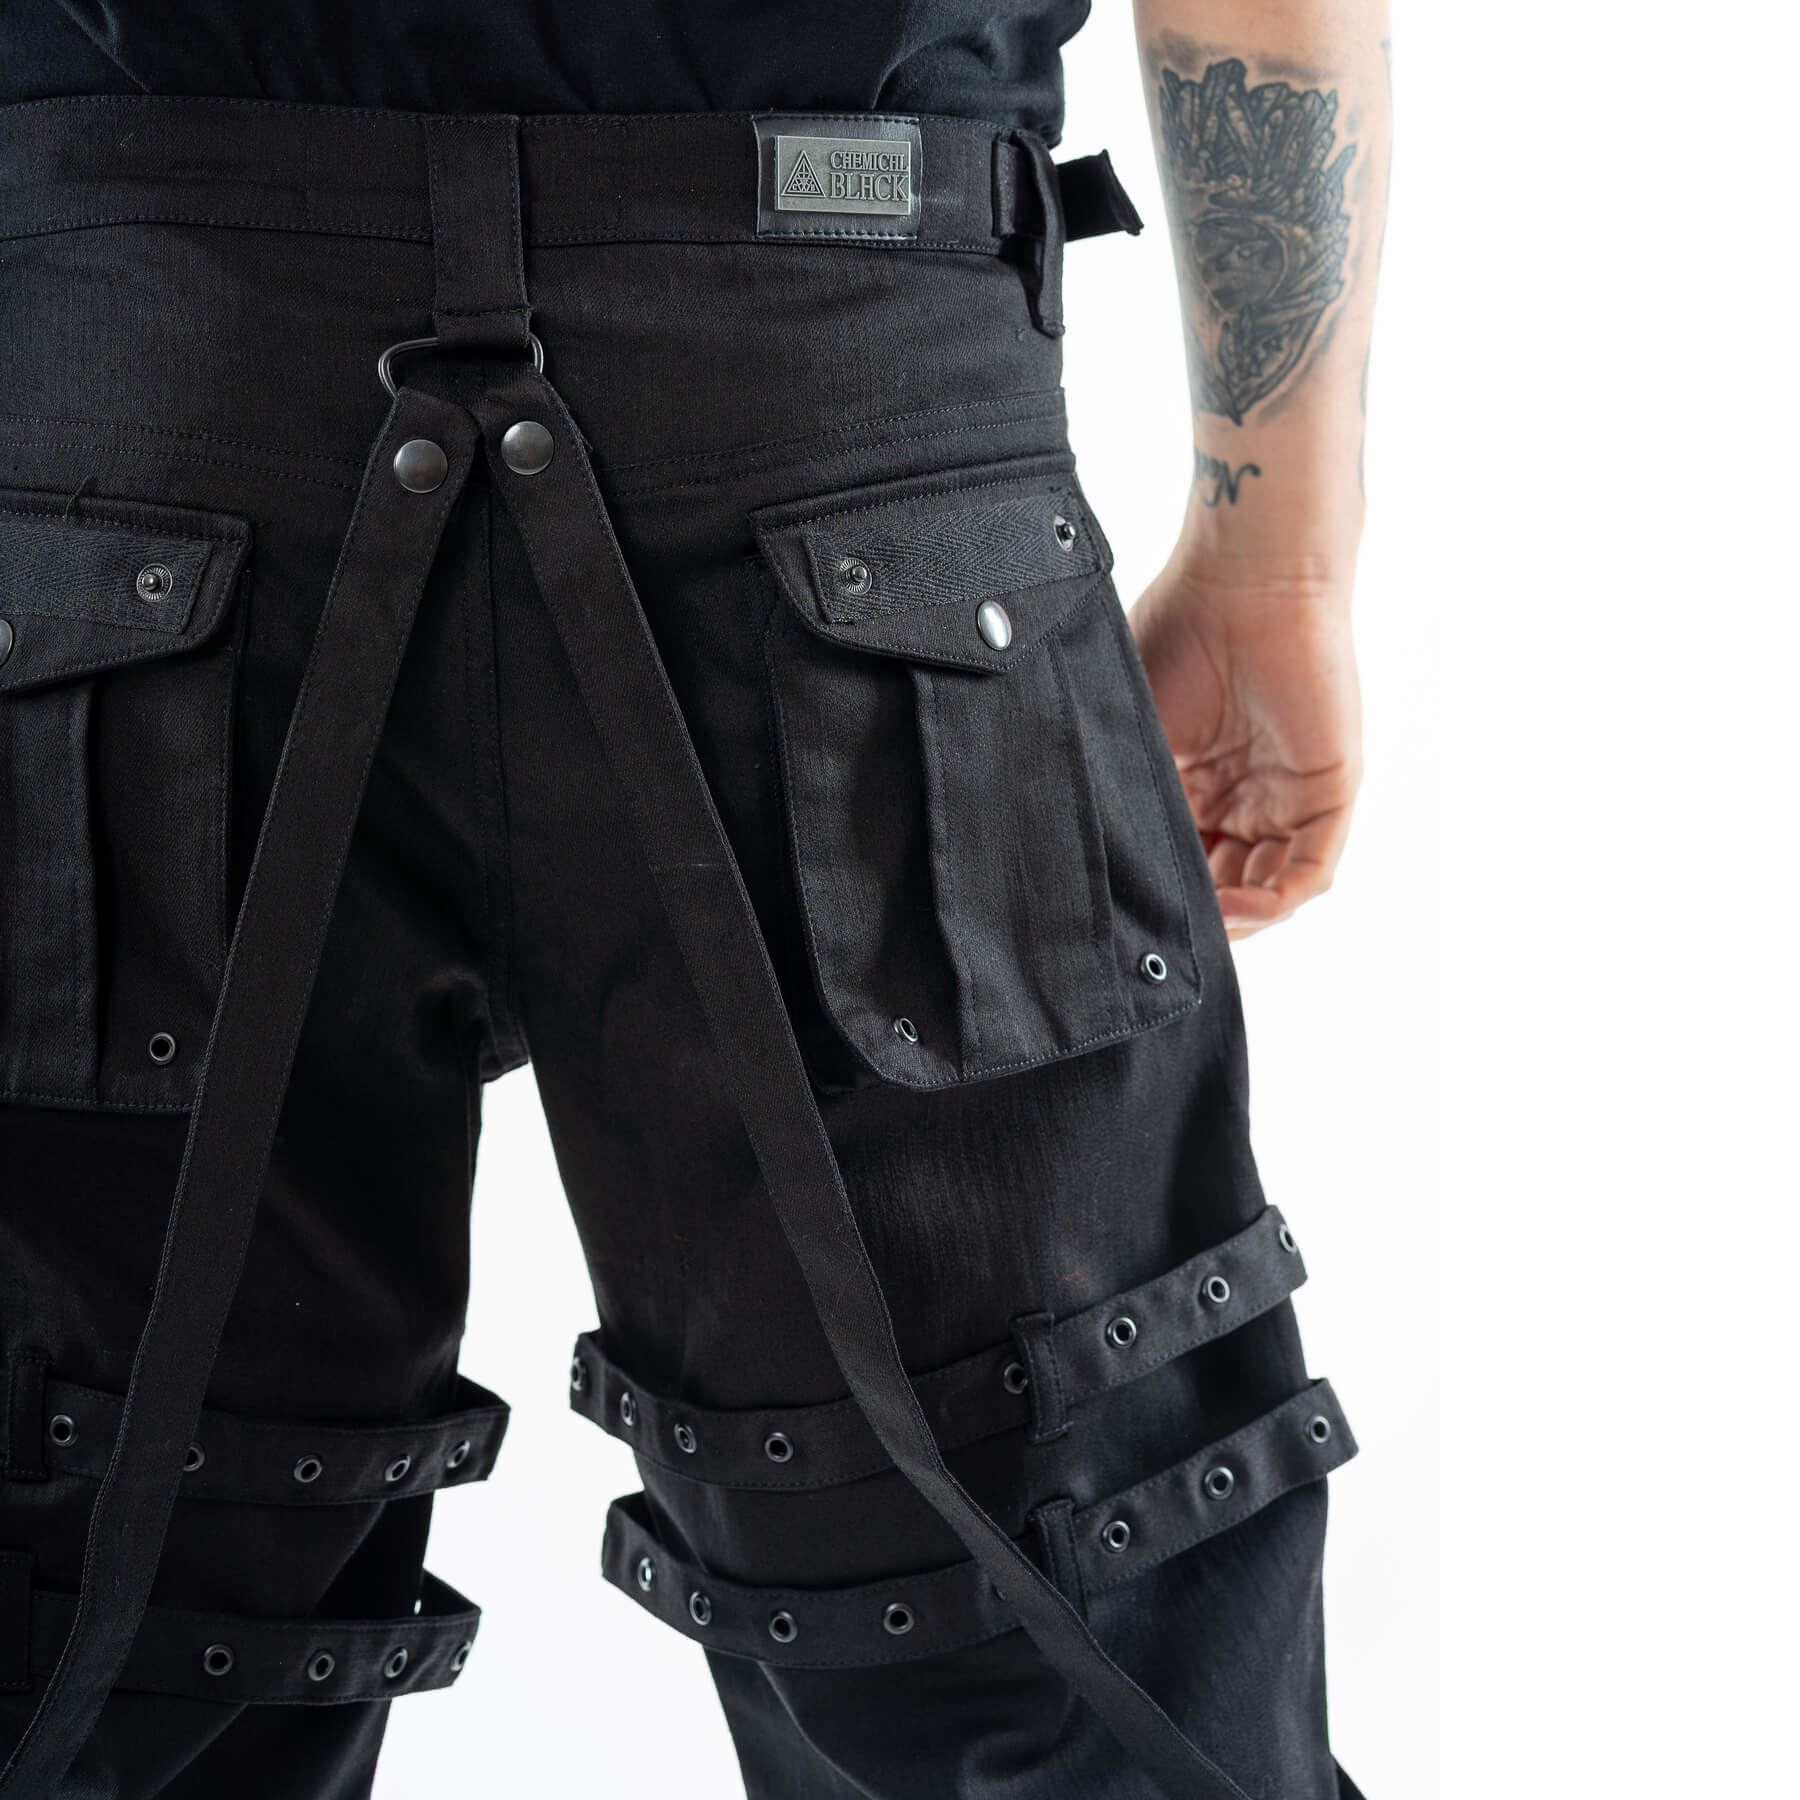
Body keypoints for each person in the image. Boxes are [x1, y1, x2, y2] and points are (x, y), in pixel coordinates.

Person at [0, 0, 1389, 1793]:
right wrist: (1278, 566)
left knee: (72, 1640)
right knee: (1054, 1633)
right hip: (858, 448)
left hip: (120, 447)